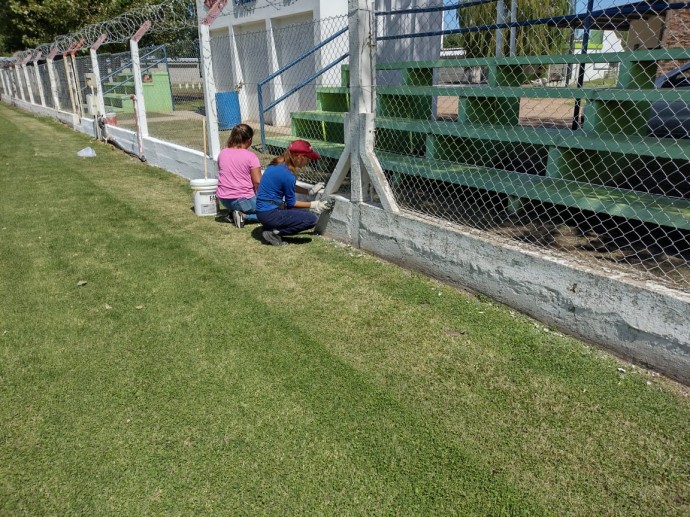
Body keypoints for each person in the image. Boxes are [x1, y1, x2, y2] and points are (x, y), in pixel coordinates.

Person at [256, 140, 333, 246]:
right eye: (308, 158)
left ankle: (269, 227)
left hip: (263, 211)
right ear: (299, 157)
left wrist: (309, 191)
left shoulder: (277, 164)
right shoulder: (288, 174)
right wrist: (315, 205)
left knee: (304, 214)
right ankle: (272, 233)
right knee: (311, 219)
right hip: (270, 213)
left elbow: (288, 186)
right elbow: (291, 203)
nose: (308, 162)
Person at [216, 123, 262, 228]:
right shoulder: (251, 157)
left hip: (224, 199)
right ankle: (244, 216)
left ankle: (232, 213)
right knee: (272, 212)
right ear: (249, 139)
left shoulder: (222, 153)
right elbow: (258, 181)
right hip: (243, 200)